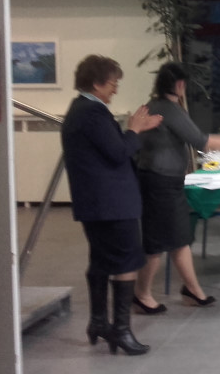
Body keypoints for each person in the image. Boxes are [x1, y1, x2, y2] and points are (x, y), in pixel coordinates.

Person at [61, 54, 162, 355]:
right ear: (96, 84)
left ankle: (98, 322)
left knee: (101, 260)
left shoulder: (78, 110)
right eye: (112, 83)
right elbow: (119, 153)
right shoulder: (93, 113)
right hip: (111, 205)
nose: (115, 89)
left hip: (96, 204)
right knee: (125, 262)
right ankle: (121, 330)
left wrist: (133, 130)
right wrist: (135, 129)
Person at [134, 62, 220, 313]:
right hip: (159, 182)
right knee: (157, 242)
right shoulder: (168, 109)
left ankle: (192, 291)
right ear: (179, 84)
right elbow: (200, 141)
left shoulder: (156, 105)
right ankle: (141, 295)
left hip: (165, 181)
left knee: (180, 238)